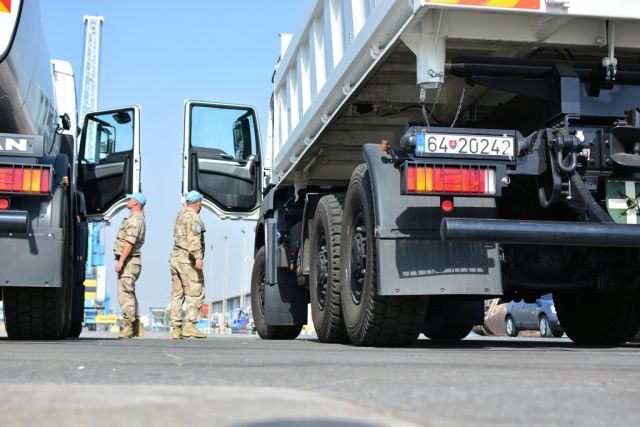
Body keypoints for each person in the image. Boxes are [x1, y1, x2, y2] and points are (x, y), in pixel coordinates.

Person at [169, 190, 207, 339]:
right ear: (198, 203)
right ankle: (190, 325)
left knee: (177, 295)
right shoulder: (193, 217)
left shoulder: (180, 215)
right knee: (195, 292)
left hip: (175, 258)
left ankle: (176, 328)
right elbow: (193, 239)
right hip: (187, 259)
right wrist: (198, 257)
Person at [114, 192, 147, 339]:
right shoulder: (136, 218)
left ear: (136, 203)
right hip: (131, 260)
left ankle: (128, 327)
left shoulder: (135, 220)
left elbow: (129, 242)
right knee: (129, 292)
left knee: (125, 293)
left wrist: (121, 261)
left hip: (129, 261)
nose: (128, 200)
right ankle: (136, 327)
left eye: (131, 199)